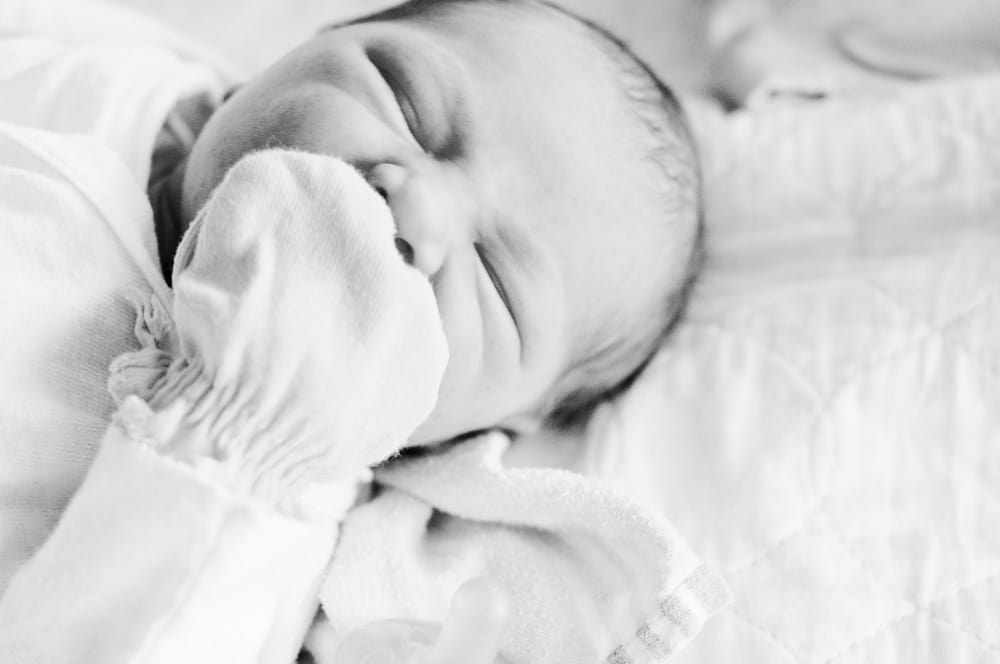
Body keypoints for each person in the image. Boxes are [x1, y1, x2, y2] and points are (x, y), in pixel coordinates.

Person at [0, 0, 702, 661]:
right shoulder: (100, 81)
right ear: (309, 46)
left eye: (495, 284)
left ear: (485, 427)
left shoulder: (287, 527)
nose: (415, 204)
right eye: (407, 105)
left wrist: (232, 447)